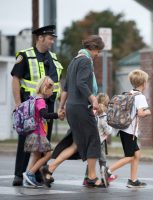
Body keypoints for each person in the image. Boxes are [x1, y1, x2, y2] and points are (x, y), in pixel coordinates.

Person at [40, 35, 106, 188]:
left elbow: (66, 88)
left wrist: (62, 107)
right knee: (93, 141)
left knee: (76, 144)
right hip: (81, 107)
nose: (98, 54)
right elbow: (81, 83)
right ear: (94, 48)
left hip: (72, 106)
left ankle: (49, 169)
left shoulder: (74, 61)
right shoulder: (85, 61)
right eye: (98, 51)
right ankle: (92, 177)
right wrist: (93, 99)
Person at [11, 25, 63, 186]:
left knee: (44, 141)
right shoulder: (25, 56)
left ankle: (38, 173)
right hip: (29, 107)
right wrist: (18, 104)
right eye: (50, 38)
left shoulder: (53, 58)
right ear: (40, 38)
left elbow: (57, 84)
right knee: (25, 141)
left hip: (48, 106)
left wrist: (60, 104)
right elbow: (15, 79)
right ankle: (19, 175)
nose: (52, 42)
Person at [104, 69, 151, 188]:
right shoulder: (140, 97)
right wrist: (147, 112)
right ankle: (107, 171)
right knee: (129, 156)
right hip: (130, 131)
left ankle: (133, 180)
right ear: (144, 83)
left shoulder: (129, 93)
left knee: (137, 154)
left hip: (123, 129)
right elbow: (140, 113)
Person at [22, 76, 64, 188]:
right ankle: (30, 173)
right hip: (38, 134)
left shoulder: (36, 98)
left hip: (34, 132)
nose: (53, 92)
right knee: (48, 154)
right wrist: (57, 115)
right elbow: (44, 114)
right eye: (52, 89)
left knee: (36, 155)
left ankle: (27, 179)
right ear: (46, 88)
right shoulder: (40, 101)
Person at [82, 93, 117, 187]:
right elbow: (107, 130)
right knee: (102, 160)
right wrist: (110, 129)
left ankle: (86, 178)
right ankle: (104, 177)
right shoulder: (103, 114)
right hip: (100, 141)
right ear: (106, 103)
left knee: (91, 160)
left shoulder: (92, 111)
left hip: (90, 139)